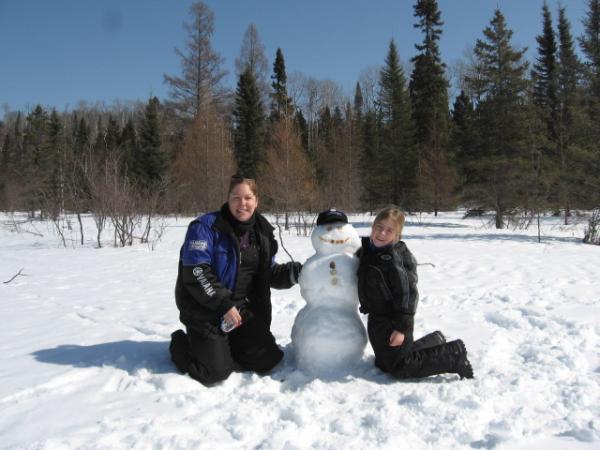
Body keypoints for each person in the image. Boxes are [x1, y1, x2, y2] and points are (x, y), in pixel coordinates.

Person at [169, 175, 302, 385]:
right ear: (228, 199)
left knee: (268, 359)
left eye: (248, 197)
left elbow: (268, 272)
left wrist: (297, 274)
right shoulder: (204, 228)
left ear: (256, 200)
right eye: (236, 197)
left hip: (239, 311)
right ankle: (180, 342)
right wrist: (224, 304)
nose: (242, 204)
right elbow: (196, 272)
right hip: (204, 308)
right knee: (214, 372)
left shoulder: (262, 232)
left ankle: (225, 344)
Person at [356, 206, 474, 380]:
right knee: (383, 363)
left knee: (400, 368)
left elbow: (407, 295)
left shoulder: (394, 259)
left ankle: (453, 356)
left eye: (389, 230)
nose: (381, 233)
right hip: (376, 320)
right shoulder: (368, 251)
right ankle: (435, 340)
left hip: (394, 319)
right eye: (379, 227)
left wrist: (401, 328)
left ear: (397, 236)